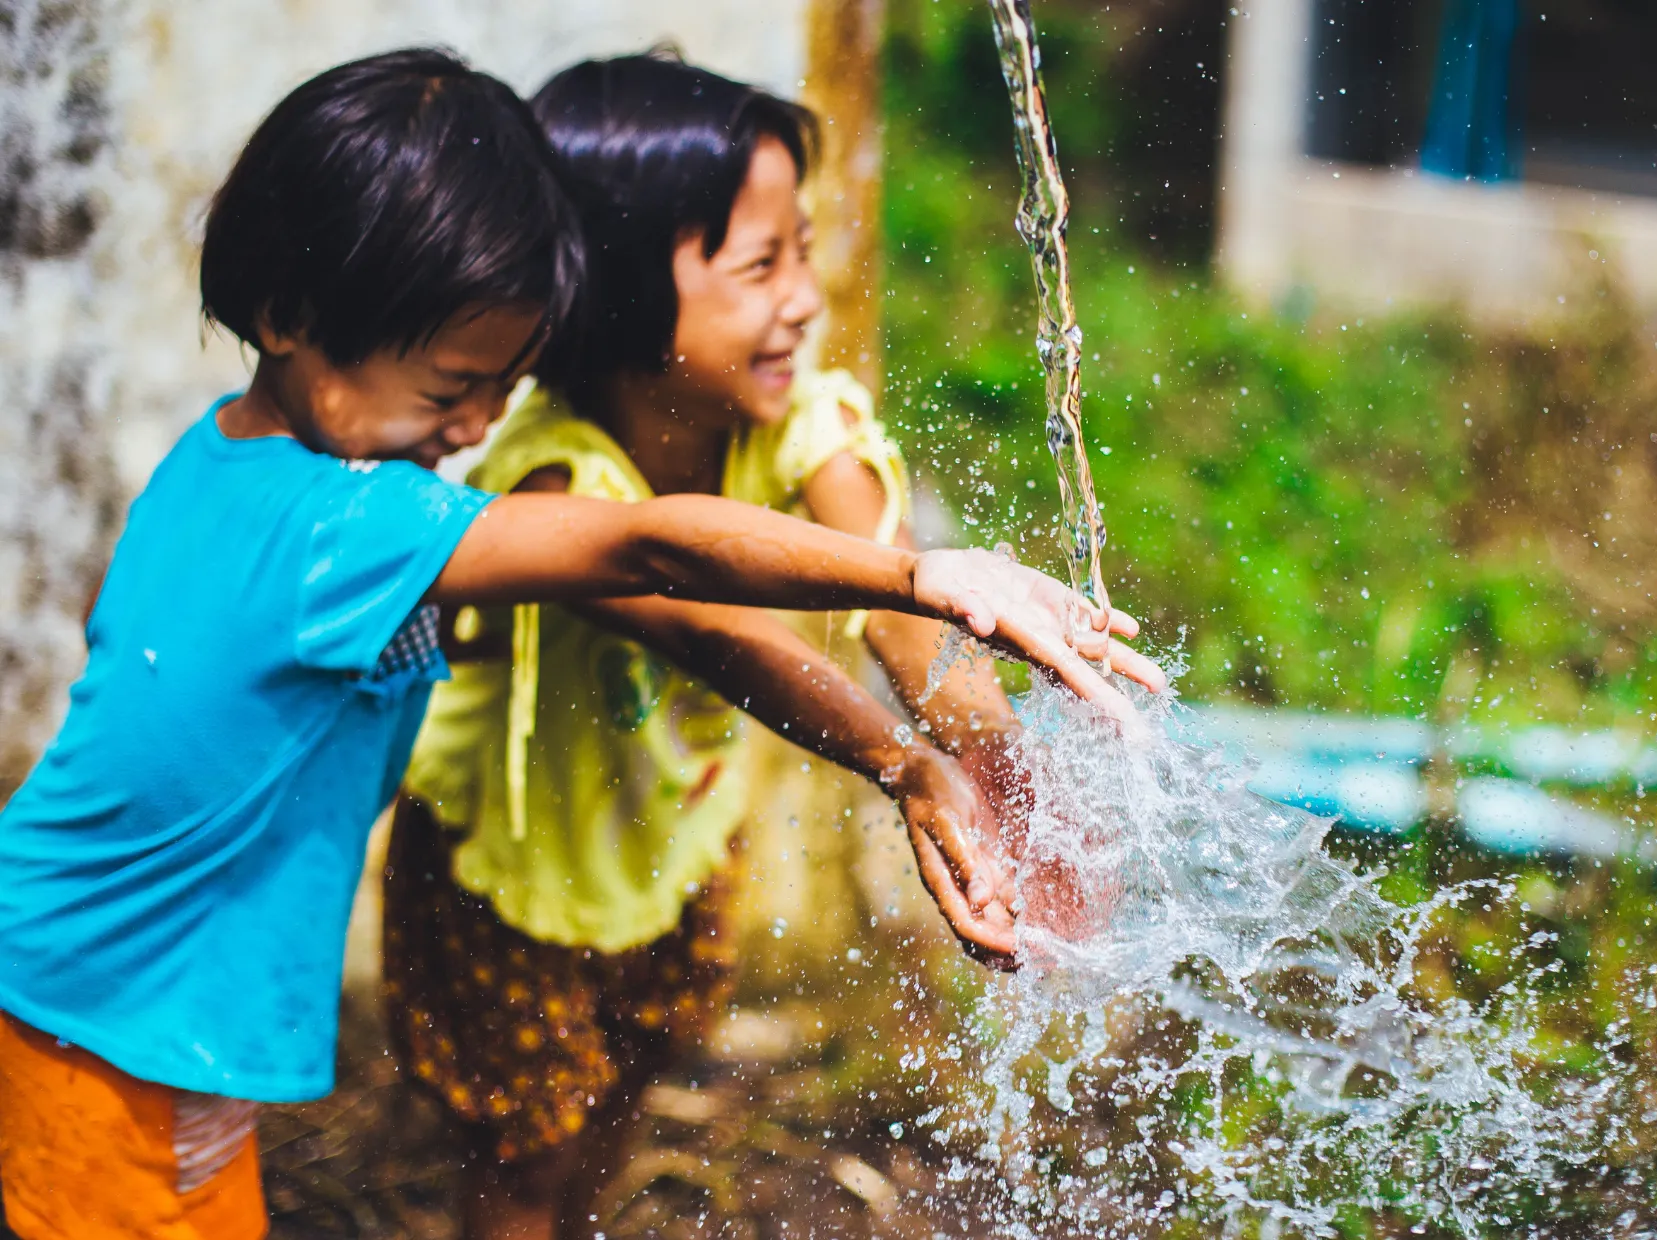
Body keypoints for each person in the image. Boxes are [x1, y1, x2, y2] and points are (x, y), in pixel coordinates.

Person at [0, 49, 1161, 1240]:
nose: (471, 427)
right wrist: (918, 577)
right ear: (289, 317)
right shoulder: (345, 522)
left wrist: (967, 745)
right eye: (448, 388)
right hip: (106, 1008)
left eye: (498, 387)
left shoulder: (226, 462)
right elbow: (653, 551)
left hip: (127, 998)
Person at [381, 53, 1143, 1240]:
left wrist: (994, 759)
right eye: (759, 265)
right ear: (619, 293)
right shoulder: (550, 478)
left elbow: (897, 602)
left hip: (675, 836)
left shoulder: (792, 419)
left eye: (802, 250)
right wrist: (902, 764)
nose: (802, 295)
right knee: (525, 1157)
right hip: (510, 869)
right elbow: (715, 630)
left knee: (628, 1087)